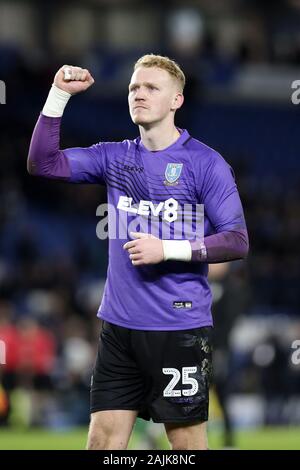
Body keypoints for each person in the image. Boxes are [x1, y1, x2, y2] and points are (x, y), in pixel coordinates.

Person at [27, 54, 249, 450]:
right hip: (119, 329)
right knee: (102, 445)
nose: (139, 94)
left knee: (186, 449)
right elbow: (43, 163)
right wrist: (58, 95)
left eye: (151, 88)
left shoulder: (206, 164)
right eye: (133, 88)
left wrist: (168, 248)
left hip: (178, 330)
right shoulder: (114, 157)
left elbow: (236, 240)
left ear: (176, 101)